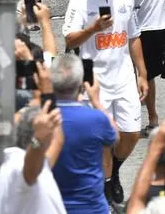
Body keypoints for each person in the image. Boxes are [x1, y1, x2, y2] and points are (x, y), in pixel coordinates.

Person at [63, 0, 148, 203]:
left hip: (123, 74)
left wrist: (142, 73)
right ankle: (107, 188)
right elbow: (69, 38)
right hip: (93, 76)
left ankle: (115, 170)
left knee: (131, 133)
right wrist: (93, 28)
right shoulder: (79, 1)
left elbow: (133, 36)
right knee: (102, 139)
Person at [51, 53, 118, 214]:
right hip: (92, 207)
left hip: (53, 206)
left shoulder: (41, 119)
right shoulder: (96, 119)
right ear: (82, 85)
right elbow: (115, 136)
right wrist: (96, 101)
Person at [0, 103, 68, 214]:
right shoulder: (17, 164)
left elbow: (58, 141)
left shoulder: (41, 162)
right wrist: (39, 138)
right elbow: (30, 172)